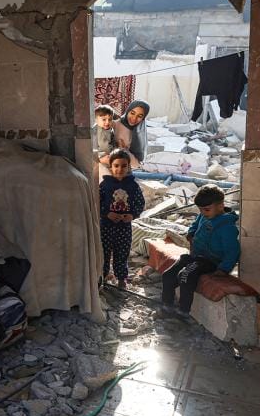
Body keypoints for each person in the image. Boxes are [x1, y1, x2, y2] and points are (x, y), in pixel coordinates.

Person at [161, 184, 240, 316]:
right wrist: (191, 233)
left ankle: (183, 311)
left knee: (185, 276)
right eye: (201, 210)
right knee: (168, 275)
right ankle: (166, 305)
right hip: (196, 256)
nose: (203, 213)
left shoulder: (227, 227)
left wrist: (224, 269)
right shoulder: (205, 215)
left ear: (220, 206)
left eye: (206, 210)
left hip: (210, 261)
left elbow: (233, 251)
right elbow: (195, 224)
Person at [99, 148, 145, 289]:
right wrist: (106, 213)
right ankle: (103, 276)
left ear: (129, 166)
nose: (120, 169)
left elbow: (140, 203)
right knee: (104, 253)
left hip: (124, 227)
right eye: (116, 165)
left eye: (124, 166)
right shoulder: (104, 185)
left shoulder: (133, 186)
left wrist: (132, 215)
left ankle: (121, 279)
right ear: (111, 167)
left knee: (122, 253)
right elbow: (96, 203)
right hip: (106, 225)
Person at [113, 100, 150, 169]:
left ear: (143, 118)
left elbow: (137, 164)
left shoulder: (139, 133)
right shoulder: (113, 125)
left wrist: (124, 151)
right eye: (132, 113)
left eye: (140, 116)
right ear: (128, 111)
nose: (134, 118)